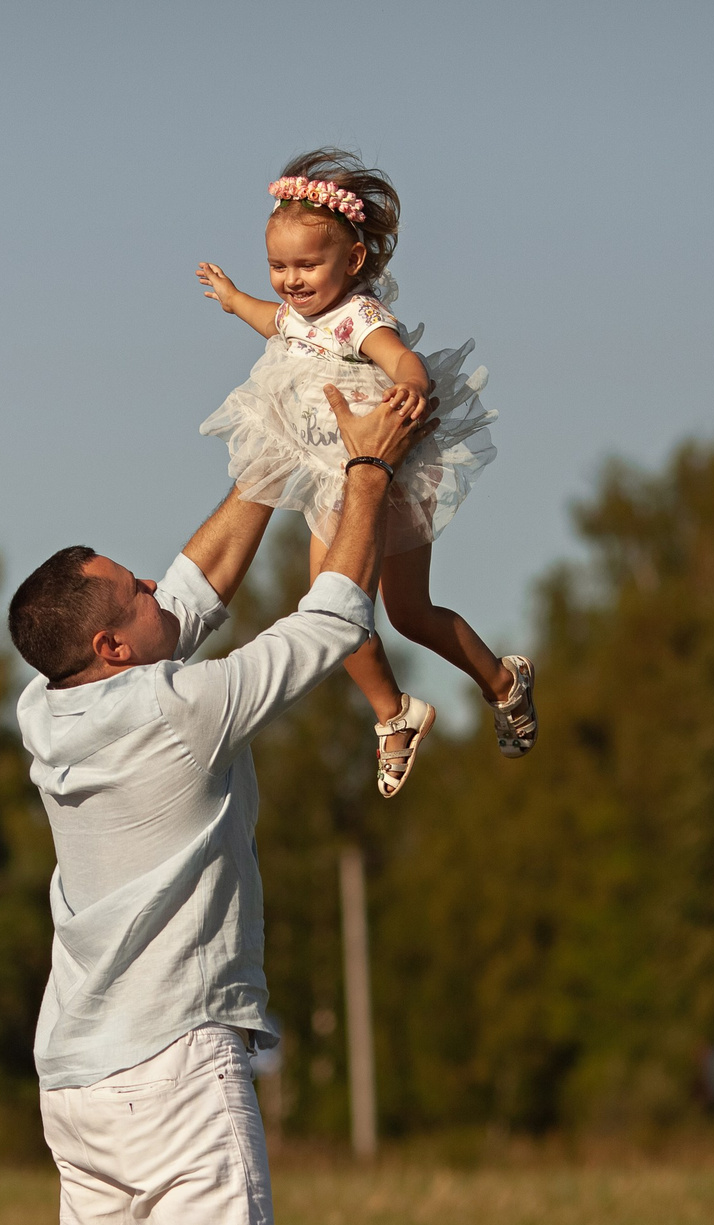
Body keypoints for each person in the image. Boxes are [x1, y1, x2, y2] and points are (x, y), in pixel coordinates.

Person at [0, 385, 422, 1225]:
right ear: (115, 645)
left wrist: (274, 444)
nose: (155, 587)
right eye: (130, 593)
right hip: (176, 1065)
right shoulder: (183, 711)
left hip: (77, 1074)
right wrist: (360, 461)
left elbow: (201, 573)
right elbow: (334, 611)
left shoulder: (51, 710)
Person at [197, 147, 537, 798]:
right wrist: (234, 296)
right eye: (278, 266)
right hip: (336, 481)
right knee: (329, 613)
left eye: (306, 265)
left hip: (389, 472)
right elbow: (274, 323)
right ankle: (395, 713)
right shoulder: (297, 313)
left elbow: (400, 357)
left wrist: (409, 384)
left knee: (407, 611)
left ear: (352, 260)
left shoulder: (360, 315)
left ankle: (502, 682)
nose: (290, 280)